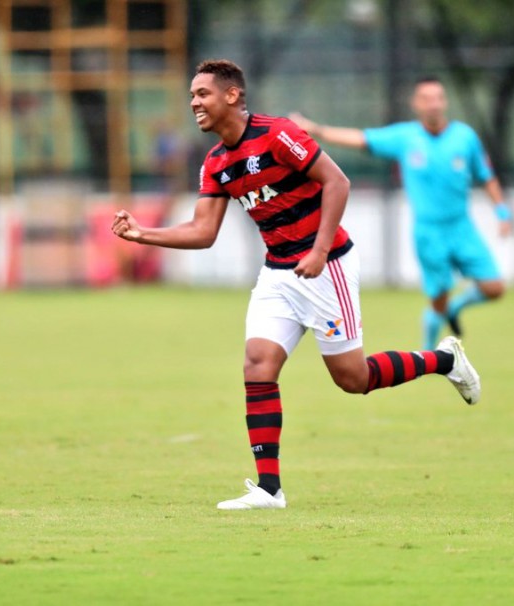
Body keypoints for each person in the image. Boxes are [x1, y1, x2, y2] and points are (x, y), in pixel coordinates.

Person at [112, 60, 480, 510]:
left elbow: (337, 182)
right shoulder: (216, 163)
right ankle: (269, 490)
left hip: (328, 266)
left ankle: (445, 360)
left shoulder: (277, 134)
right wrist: (142, 234)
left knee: (353, 379)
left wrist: (320, 251)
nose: (194, 103)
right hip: (278, 274)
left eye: (202, 94)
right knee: (257, 364)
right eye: (192, 95)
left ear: (232, 95)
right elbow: (203, 231)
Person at [290, 76, 511, 350]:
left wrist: (502, 212)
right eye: (426, 99)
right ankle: (429, 355)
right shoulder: (405, 138)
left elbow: (487, 176)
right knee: (438, 300)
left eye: (438, 98)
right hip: (429, 232)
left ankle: (454, 310)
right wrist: (316, 130)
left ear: (444, 102)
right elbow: (361, 138)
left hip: (462, 227)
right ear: (416, 104)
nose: (433, 104)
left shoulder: (465, 137)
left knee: (494, 288)